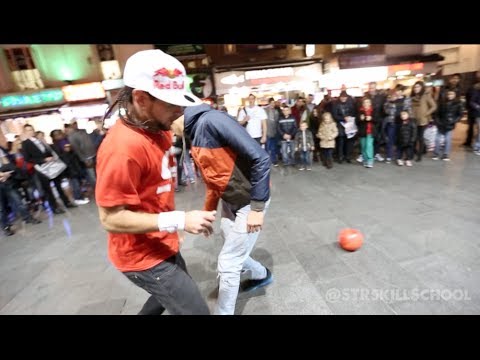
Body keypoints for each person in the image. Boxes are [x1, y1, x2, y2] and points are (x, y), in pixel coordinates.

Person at [95, 49, 216, 315]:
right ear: (140, 98)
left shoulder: (156, 127)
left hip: (160, 242)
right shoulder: (122, 148)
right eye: (171, 104)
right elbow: (110, 219)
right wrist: (178, 220)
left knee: (167, 296)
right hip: (141, 256)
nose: (179, 110)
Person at [184, 103, 273, 315]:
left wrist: (257, 208)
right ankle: (262, 274)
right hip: (230, 201)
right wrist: (207, 214)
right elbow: (213, 179)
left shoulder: (211, 120)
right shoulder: (192, 132)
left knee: (228, 261)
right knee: (233, 251)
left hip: (249, 201)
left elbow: (261, 158)